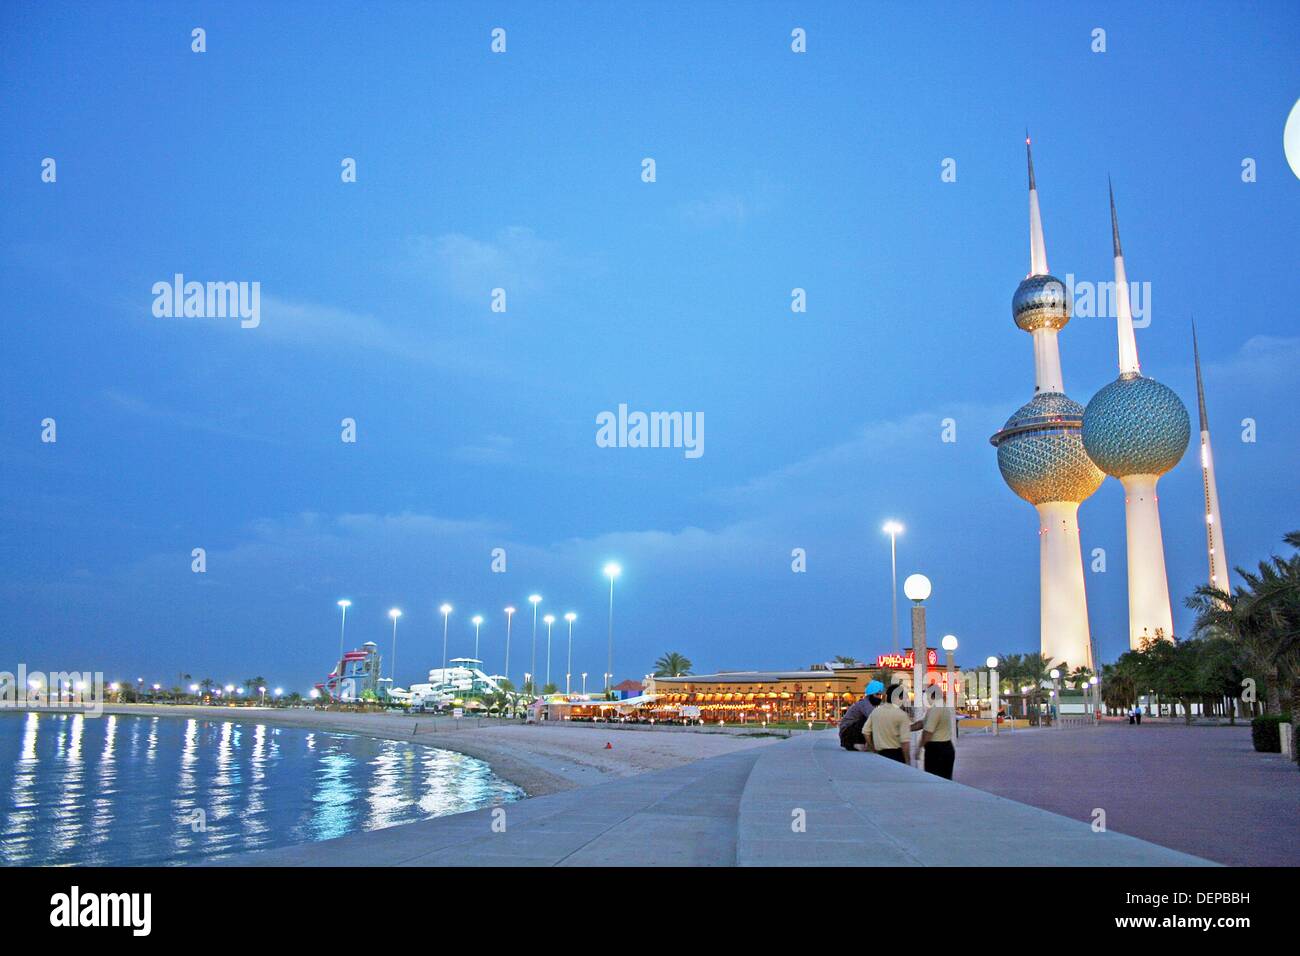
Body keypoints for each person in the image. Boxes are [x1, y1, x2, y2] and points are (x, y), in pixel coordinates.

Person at [863, 684, 912, 764]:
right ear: (899, 698)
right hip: (896, 756)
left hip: (879, 755)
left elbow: (865, 731)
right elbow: (905, 742)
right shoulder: (902, 715)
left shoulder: (876, 711)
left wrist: (872, 748)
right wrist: (908, 761)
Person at [838, 680, 885, 751]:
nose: (879, 697)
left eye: (880, 695)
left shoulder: (869, 705)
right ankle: (855, 744)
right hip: (847, 735)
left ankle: (859, 744)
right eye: (877, 694)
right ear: (870, 694)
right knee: (871, 719)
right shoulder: (865, 704)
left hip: (849, 734)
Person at [916, 702, 956, 779]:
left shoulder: (935, 709)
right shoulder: (939, 707)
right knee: (944, 779)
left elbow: (928, 732)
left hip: (937, 751)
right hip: (944, 748)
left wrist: (919, 748)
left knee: (934, 779)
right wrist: (908, 728)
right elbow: (923, 723)